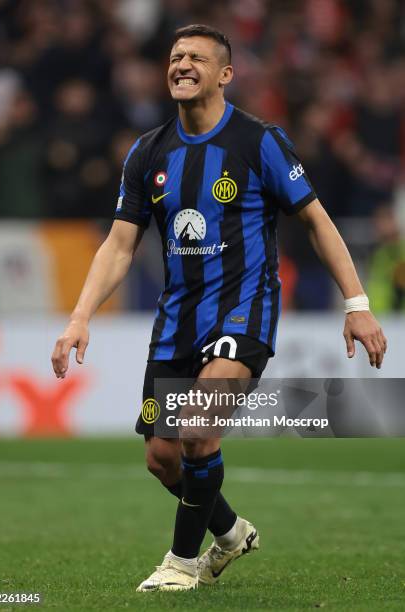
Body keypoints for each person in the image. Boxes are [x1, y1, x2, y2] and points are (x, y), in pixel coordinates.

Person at [51, 24, 387, 592]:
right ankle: (231, 533)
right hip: (177, 320)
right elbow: (120, 243)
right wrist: (80, 315)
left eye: (196, 58)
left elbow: (316, 220)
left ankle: (182, 563)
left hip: (244, 310)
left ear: (225, 74)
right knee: (163, 458)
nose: (181, 64)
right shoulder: (148, 151)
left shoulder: (260, 142)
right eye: (175, 56)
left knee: (199, 428)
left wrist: (357, 304)